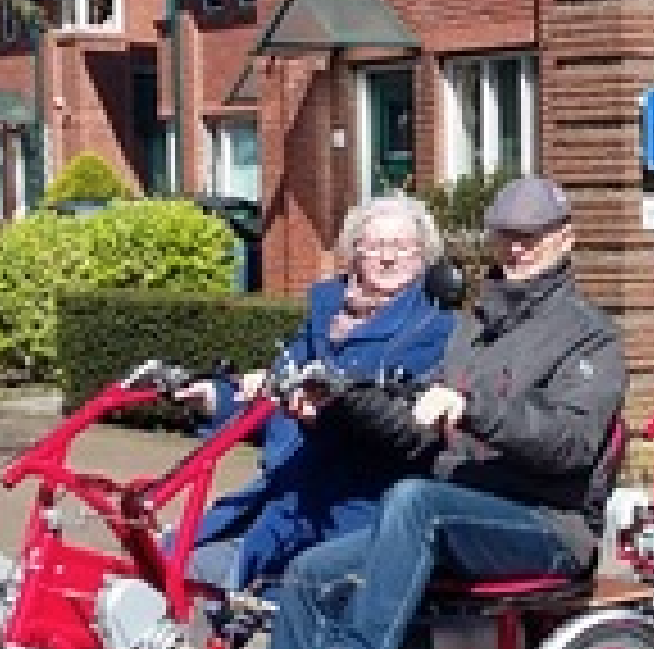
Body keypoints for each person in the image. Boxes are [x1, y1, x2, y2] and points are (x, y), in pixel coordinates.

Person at [259, 175, 628, 649]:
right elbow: (412, 428)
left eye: (531, 238)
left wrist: (474, 408)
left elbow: (570, 444)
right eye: (505, 237)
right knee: (310, 573)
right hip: (461, 512)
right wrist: (342, 401)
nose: (516, 250)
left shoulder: (590, 336)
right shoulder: (475, 327)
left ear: (564, 240)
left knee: (414, 500)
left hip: (548, 523)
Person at [176, 195, 456, 594]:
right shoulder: (325, 317)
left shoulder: (433, 330)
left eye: (402, 248)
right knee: (173, 558)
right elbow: (276, 391)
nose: (388, 259)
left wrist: (329, 407)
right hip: (288, 492)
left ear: (424, 257)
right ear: (354, 253)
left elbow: (403, 428)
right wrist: (216, 399)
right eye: (375, 246)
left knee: (242, 591)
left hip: (357, 505)